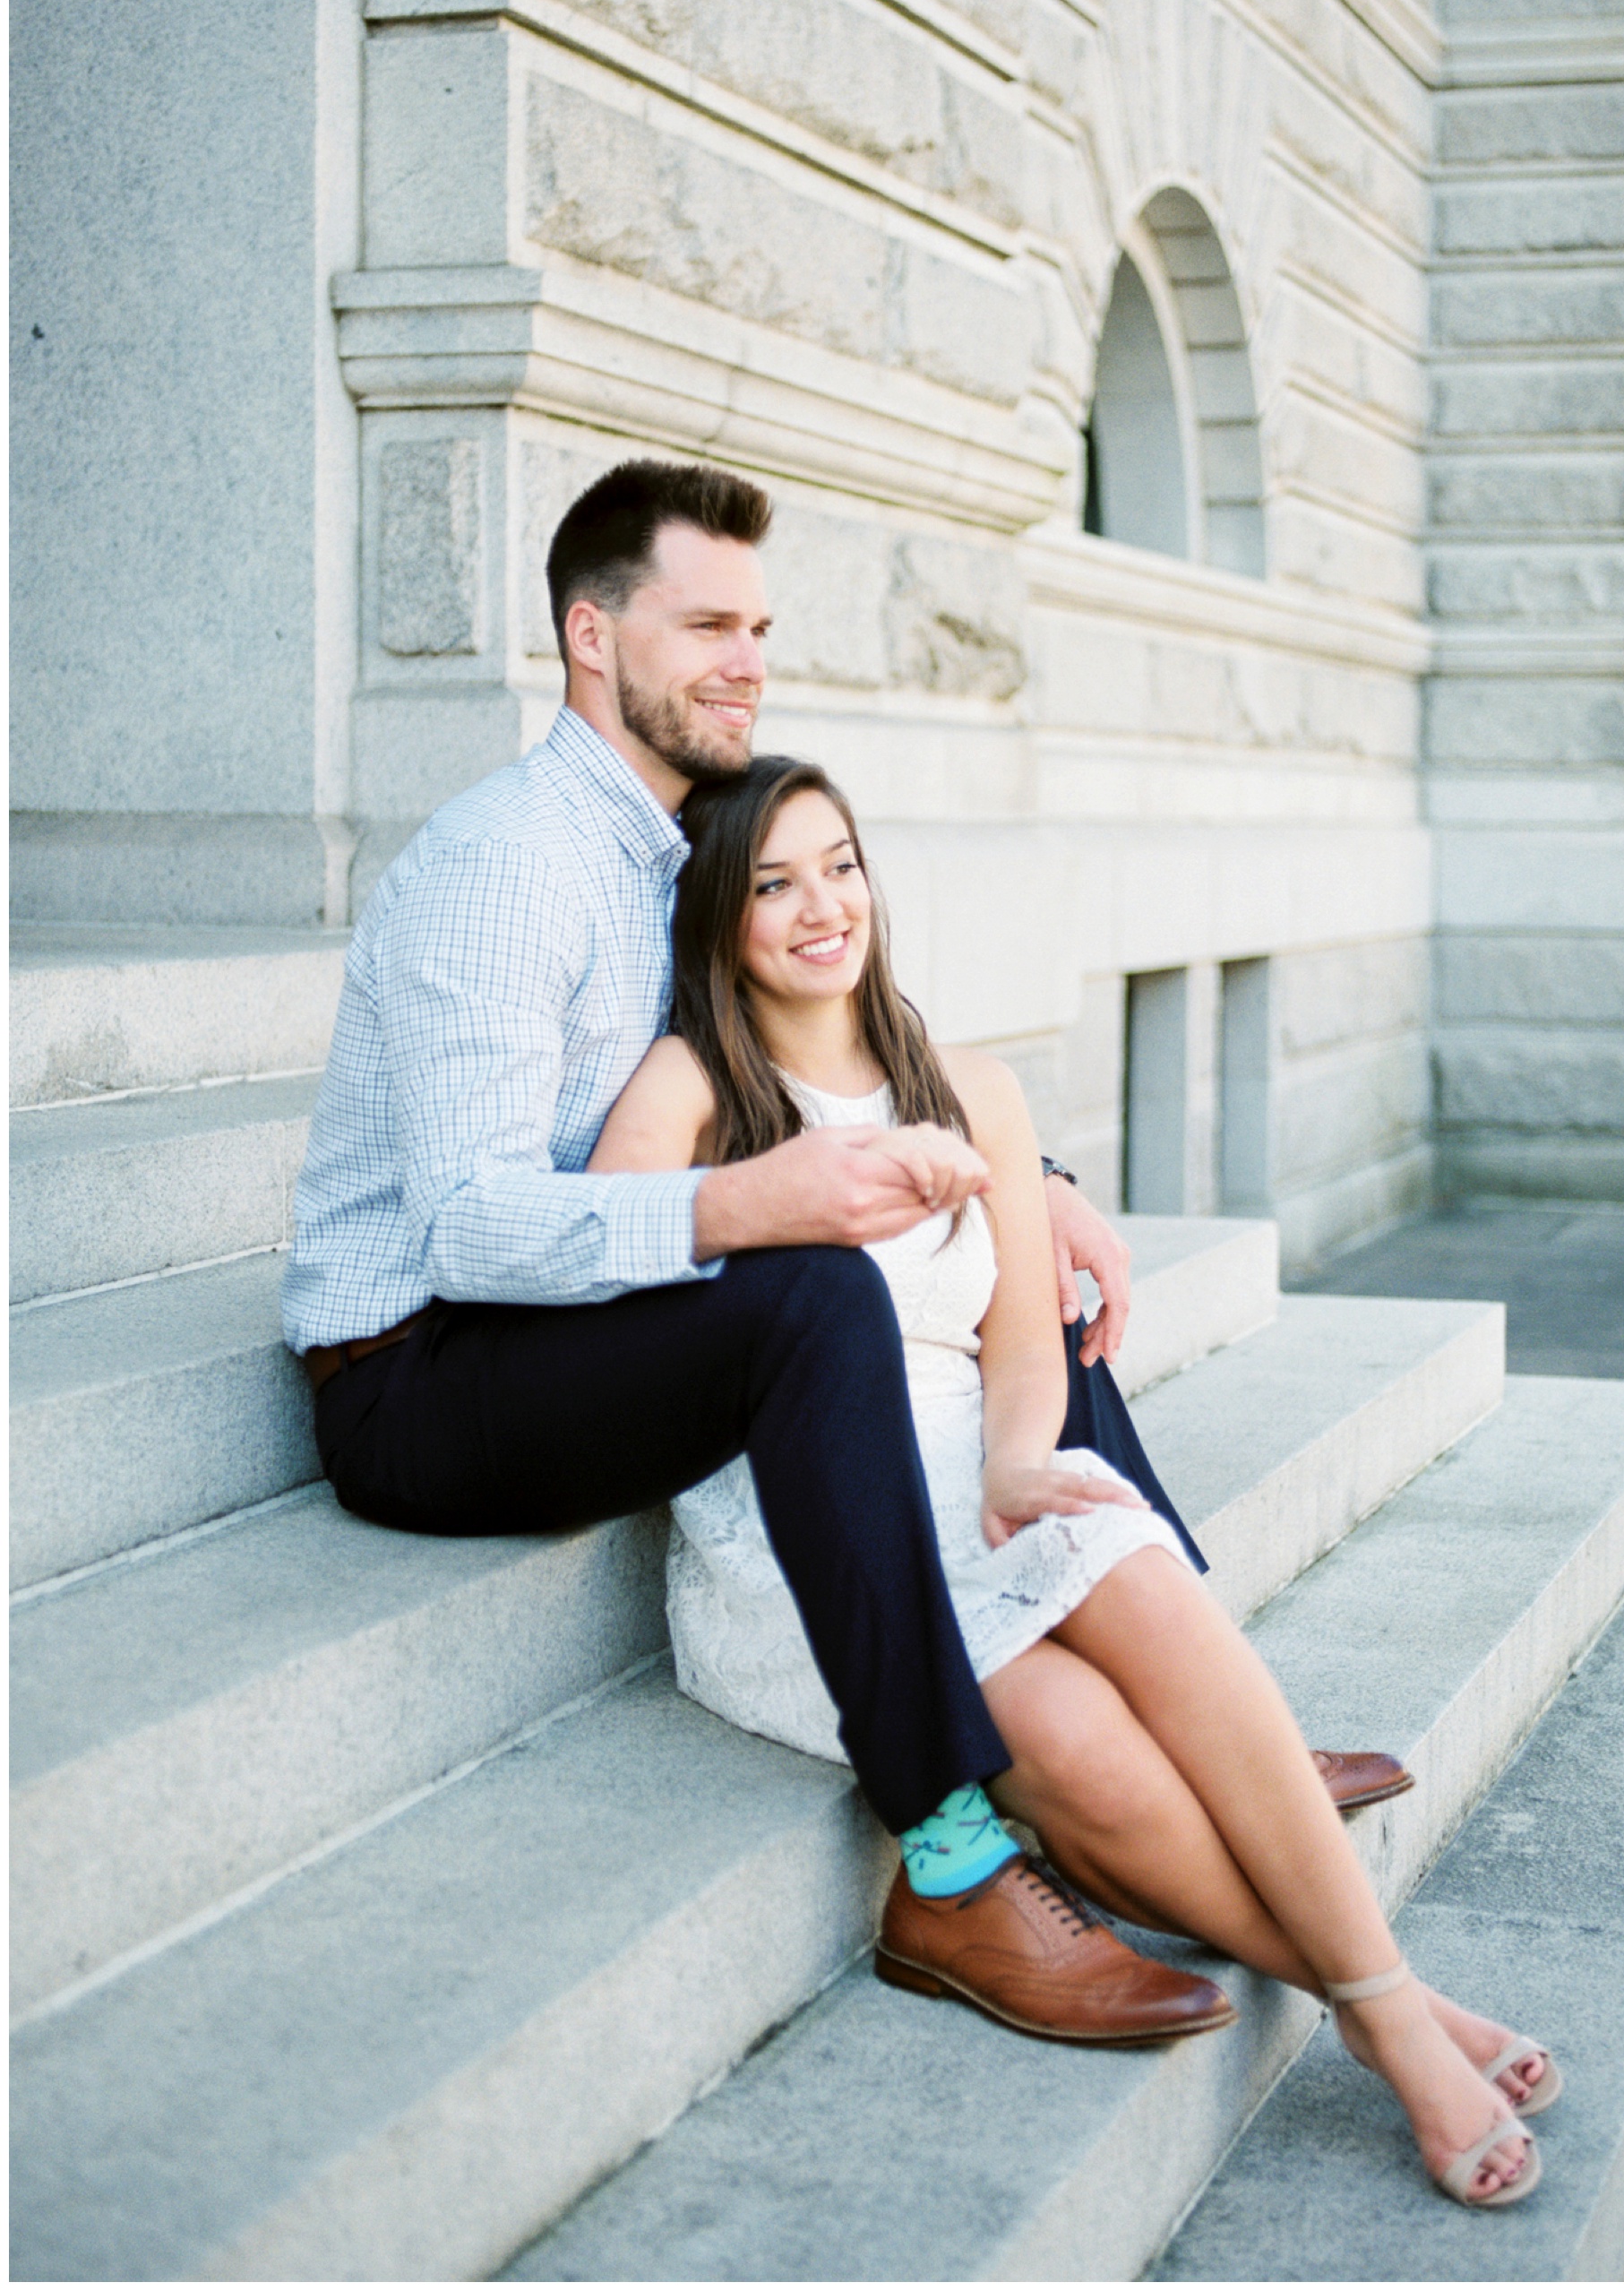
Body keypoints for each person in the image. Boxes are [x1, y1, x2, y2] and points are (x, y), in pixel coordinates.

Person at [279, 455, 1405, 2053]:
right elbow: (468, 1231)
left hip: (571, 1311)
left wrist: (1024, 1176)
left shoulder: (678, 843)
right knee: (808, 1291)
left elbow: (810, 1018)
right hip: (424, 1374)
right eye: (709, 626)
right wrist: (765, 1202)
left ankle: (1220, 1716)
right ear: (591, 639)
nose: (750, 661)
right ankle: (948, 1856)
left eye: (761, 628)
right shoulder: (504, 867)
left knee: (1018, 1278)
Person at [588, 752, 1558, 2209]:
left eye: (840, 864)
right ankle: (1395, 2013)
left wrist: (1024, 1456)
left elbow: (1019, 1336)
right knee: (1086, 1751)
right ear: (720, 917)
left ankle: (1382, 2002)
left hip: (978, 1459)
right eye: (774, 883)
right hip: (810, 1529)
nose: (819, 908)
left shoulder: (971, 1088)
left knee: (1147, 1585)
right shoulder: (691, 1088)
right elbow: (602, 1290)